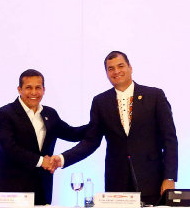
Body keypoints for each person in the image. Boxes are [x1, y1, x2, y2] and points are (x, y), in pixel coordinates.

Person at [49, 51, 178, 205]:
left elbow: (169, 139)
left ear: (130, 67)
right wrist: (62, 159)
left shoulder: (154, 96)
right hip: (117, 184)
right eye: (111, 69)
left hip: (152, 182)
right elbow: (91, 141)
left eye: (120, 66)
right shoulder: (100, 102)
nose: (116, 71)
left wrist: (169, 177)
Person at [0, 69, 87, 205]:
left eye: (38, 88)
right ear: (19, 89)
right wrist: (42, 161)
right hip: (12, 190)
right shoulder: (4, 114)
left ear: (44, 89)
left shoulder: (50, 113)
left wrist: (98, 123)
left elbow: (72, 133)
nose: (34, 92)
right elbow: (9, 149)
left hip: (41, 189)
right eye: (28, 88)